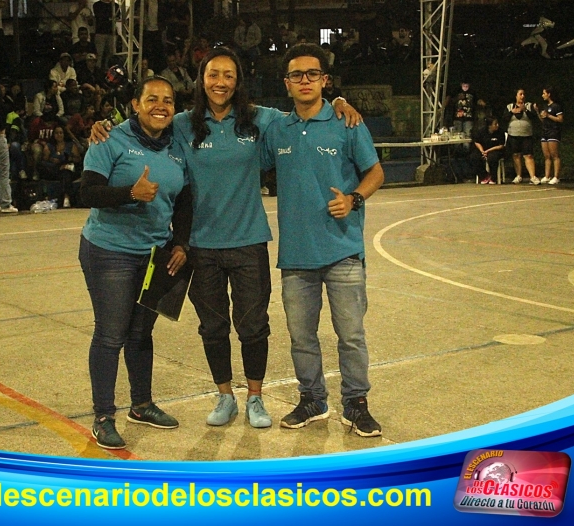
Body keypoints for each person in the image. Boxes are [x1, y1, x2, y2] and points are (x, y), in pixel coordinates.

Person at [90, 47, 360, 430]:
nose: (221, 82)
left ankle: (255, 398)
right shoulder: (183, 124)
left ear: (238, 81)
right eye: (213, 74)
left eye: (229, 75)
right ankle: (224, 396)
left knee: (253, 326)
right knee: (213, 327)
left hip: (249, 241)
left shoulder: (259, 120)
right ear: (202, 79)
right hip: (201, 246)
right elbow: (141, 126)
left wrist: (339, 101)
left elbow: (305, 108)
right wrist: (103, 125)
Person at [261, 43, 384, 436]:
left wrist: (355, 198)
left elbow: (376, 172)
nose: (305, 81)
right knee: (301, 337)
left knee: (350, 335)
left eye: (312, 74)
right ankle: (312, 399)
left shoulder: (346, 123)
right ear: (287, 83)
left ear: (325, 80)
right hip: (296, 256)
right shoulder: (277, 128)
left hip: (343, 251)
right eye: (297, 75)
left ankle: (356, 404)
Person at [78, 76, 191, 450]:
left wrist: (180, 243)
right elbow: (87, 191)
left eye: (169, 101)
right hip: (111, 250)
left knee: (142, 334)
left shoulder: (178, 144)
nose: (161, 106)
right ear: (135, 104)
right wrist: (130, 193)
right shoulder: (109, 139)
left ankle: (141, 405)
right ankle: (103, 417)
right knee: (112, 334)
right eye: (152, 99)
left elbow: (185, 199)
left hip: (156, 253)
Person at [503, 89, 540, 185]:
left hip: (526, 135)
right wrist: (512, 112)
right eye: (520, 94)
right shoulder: (509, 106)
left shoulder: (529, 105)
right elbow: (505, 118)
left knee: (528, 155)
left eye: (523, 94)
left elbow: (534, 117)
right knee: (516, 155)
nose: (522, 96)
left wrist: (525, 110)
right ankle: (518, 176)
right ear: (516, 96)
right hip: (513, 134)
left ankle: (533, 176)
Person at [42, 125, 80, 208]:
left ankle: (66, 197)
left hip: (68, 169)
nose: (59, 135)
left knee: (65, 173)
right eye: (56, 133)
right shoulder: (49, 146)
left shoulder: (70, 145)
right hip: (54, 169)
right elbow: (45, 159)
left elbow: (78, 159)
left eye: (61, 133)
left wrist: (69, 158)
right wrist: (52, 160)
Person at [451, 80, 485, 152]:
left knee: (467, 135)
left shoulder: (472, 92)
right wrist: (457, 98)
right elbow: (451, 101)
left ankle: (466, 152)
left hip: (468, 118)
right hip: (457, 118)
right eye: (464, 85)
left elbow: (477, 101)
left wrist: (481, 102)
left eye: (467, 85)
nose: (465, 87)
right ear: (461, 84)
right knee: (457, 135)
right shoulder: (456, 91)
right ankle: (457, 152)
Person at [538, 86, 563, 185]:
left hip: (553, 131)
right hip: (545, 131)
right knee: (546, 155)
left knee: (554, 155)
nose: (542, 95)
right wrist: (538, 112)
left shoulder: (556, 106)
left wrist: (549, 116)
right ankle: (547, 176)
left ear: (549, 94)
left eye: (544, 93)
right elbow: (543, 119)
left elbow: (560, 119)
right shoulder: (545, 106)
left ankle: (556, 176)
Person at [471, 117, 505, 185]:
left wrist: (488, 151)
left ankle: (493, 177)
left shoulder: (500, 132)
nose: (497, 125)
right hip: (483, 150)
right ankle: (484, 176)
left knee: (492, 157)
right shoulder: (481, 131)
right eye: (495, 124)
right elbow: (477, 142)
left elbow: (501, 145)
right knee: (474, 157)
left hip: (495, 150)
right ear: (489, 126)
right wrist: (482, 151)